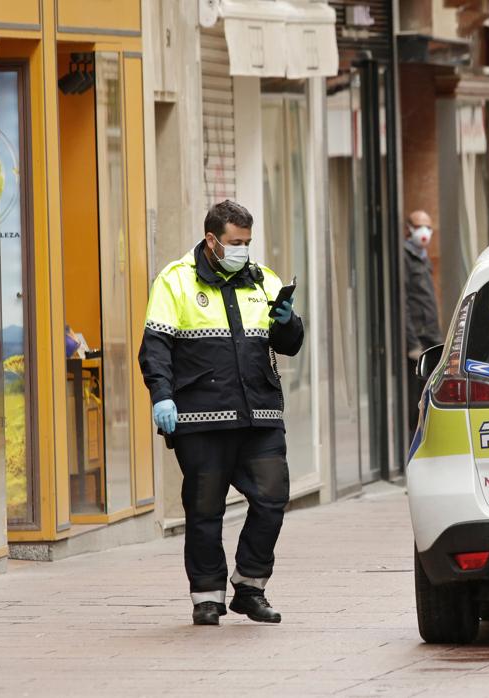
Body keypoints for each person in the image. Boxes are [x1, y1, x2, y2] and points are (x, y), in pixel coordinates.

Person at [139, 200, 305, 626]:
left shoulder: (264, 280)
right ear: (212, 240)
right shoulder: (174, 281)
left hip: (260, 415)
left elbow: (289, 344)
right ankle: (207, 596)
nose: (243, 250)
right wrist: (162, 395)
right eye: (236, 242)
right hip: (201, 417)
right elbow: (155, 347)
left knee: (272, 500)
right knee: (205, 510)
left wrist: (287, 321)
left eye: (248, 242)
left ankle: (250, 586)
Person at [403, 210, 443, 431]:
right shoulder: (405, 257)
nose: (424, 232)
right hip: (418, 341)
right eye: (419, 226)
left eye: (428, 227)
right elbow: (404, 303)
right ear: (408, 229)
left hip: (430, 337)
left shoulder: (422, 256)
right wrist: (412, 344)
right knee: (415, 398)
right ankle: (413, 440)